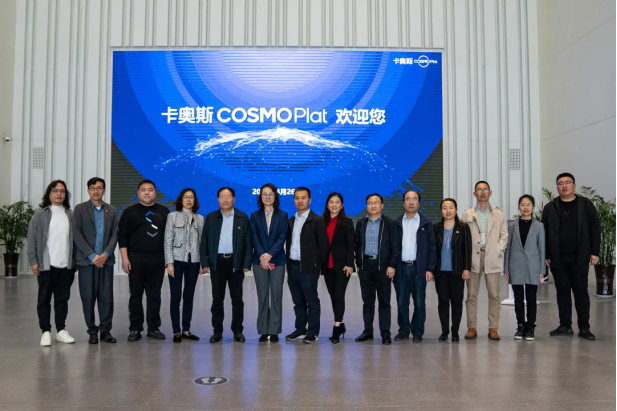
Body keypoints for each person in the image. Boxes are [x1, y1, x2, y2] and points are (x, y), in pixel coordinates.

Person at [542, 173, 600, 341]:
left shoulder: (586, 205)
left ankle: (584, 327)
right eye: (560, 183)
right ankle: (565, 325)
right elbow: (544, 232)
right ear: (557, 187)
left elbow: (595, 228)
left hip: (579, 256)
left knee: (581, 292)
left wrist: (595, 252)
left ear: (574, 186)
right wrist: (546, 254)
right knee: (562, 292)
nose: (564, 186)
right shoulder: (550, 207)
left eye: (567, 182)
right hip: (557, 257)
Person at [118, 179, 170, 342]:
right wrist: (125, 259)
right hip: (136, 259)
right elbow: (122, 237)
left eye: (150, 189)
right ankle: (135, 328)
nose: (147, 192)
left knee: (154, 296)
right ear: (138, 193)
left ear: (155, 192)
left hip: (158, 259)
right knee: (135, 295)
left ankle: (154, 328)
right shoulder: (129, 212)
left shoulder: (164, 211)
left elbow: (169, 237)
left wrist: (169, 260)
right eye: (143, 190)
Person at [27, 180, 76, 347]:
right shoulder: (40, 214)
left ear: (65, 194)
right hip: (46, 266)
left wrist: (75, 262)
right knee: (44, 300)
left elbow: (75, 240)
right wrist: (34, 261)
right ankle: (45, 331)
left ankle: (61, 331)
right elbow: (32, 240)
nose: (58, 194)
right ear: (49, 193)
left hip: (66, 266)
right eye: (55, 190)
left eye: (62, 191)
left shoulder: (70, 214)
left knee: (62, 300)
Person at [200, 187, 252, 344]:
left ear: (234, 199)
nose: (225, 200)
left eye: (228, 197)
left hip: (236, 263)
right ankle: (217, 331)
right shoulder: (211, 217)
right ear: (218, 200)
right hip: (217, 262)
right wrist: (205, 262)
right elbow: (204, 242)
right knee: (217, 299)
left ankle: (238, 331)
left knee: (237, 299)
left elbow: (248, 243)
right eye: (222, 197)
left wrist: (246, 263)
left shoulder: (242, 217)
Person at [72, 177, 119, 344]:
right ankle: (92, 331)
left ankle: (105, 331)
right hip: (87, 262)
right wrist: (92, 255)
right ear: (88, 190)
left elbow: (115, 234)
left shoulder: (111, 210)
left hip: (106, 261)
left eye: (99, 188)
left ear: (104, 191)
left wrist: (105, 254)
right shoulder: (79, 209)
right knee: (88, 297)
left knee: (106, 298)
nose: (96, 191)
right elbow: (77, 234)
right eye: (92, 188)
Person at [462, 181, 508, 341]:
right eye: (479, 190)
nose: (482, 192)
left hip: (492, 256)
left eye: (485, 189)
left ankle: (493, 328)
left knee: (494, 294)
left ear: (490, 192)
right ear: (474, 193)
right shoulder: (468, 213)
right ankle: (471, 327)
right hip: (473, 257)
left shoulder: (499, 213)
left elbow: (504, 234)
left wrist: (498, 249)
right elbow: (463, 236)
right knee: (471, 294)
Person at [354, 193, 401, 345]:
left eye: (376, 203)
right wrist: (359, 264)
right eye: (370, 203)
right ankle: (368, 331)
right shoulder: (361, 223)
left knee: (384, 302)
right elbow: (357, 245)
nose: (373, 206)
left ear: (382, 205)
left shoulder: (390, 224)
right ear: (366, 206)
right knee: (367, 302)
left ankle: (385, 333)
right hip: (365, 267)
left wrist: (392, 265)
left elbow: (395, 247)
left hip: (383, 268)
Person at [285, 187, 329, 344]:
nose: (300, 201)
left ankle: (313, 332)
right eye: (297, 198)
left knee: (312, 302)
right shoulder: (290, 220)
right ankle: (300, 329)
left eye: (303, 198)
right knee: (298, 302)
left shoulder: (317, 220)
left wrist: (318, 267)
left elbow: (324, 247)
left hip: (309, 268)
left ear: (309, 200)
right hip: (293, 267)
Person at [393, 190, 437, 343]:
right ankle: (404, 331)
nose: (411, 202)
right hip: (400, 269)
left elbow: (432, 248)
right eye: (408, 199)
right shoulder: (396, 223)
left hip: (419, 269)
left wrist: (430, 269)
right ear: (403, 202)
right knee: (401, 302)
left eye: (414, 199)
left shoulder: (426, 223)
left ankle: (417, 331)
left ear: (419, 202)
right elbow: (392, 247)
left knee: (419, 302)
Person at [164, 188, 204, 344]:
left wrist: (201, 263)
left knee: (189, 297)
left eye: (191, 197)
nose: (189, 200)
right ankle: (176, 331)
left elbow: (202, 243)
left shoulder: (200, 218)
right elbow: (167, 240)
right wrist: (169, 263)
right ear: (181, 200)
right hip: (177, 261)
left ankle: (186, 330)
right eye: (186, 197)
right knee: (175, 297)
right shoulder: (172, 216)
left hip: (193, 261)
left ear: (195, 200)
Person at [250, 183, 288, 344]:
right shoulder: (254, 216)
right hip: (259, 261)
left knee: (276, 296)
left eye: (270, 194)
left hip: (277, 261)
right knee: (263, 296)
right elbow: (254, 237)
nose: (267, 197)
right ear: (260, 197)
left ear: (275, 196)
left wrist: (270, 254)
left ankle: (274, 331)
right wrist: (263, 256)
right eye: (264, 194)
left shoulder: (283, 215)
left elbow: (282, 237)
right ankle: (263, 330)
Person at [504, 195, 546, 341]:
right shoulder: (512, 226)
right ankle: (520, 326)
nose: (526, 208)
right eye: (523, 205)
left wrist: (542, 270)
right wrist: (506, 268)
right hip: (515, 265)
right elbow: (508, 248)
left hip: (532, 266)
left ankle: (530, 327)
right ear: (519, 207)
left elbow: (542, 248)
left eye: (528, 205)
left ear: (533, 207)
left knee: (531, 298)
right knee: (518, 298)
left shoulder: (539, 226)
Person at [434, 198, 472, 343]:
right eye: (445, 208)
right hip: (440, 271)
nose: (448, 210)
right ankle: (444, 331)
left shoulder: (463, 228)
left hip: (457, 271)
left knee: (457, 302)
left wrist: (466, 268)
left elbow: (467, 249)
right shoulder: (436, 228)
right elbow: (433, 250)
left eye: (451, 207)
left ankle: (455, 331)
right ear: (441, 211)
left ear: (456, 210)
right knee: (443, 301)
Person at [322, 193, 355, 344]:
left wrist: (350, 264)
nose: (334, 205)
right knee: (333, 296)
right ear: (327, 205)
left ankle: (336, 328)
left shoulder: (347, 222)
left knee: (338, 295)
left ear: (341, 205)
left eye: (337, 202)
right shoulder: (321, 221)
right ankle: (340, 324)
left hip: (342, 266)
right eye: (331, 202)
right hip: (327, 265)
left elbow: (350, 245)